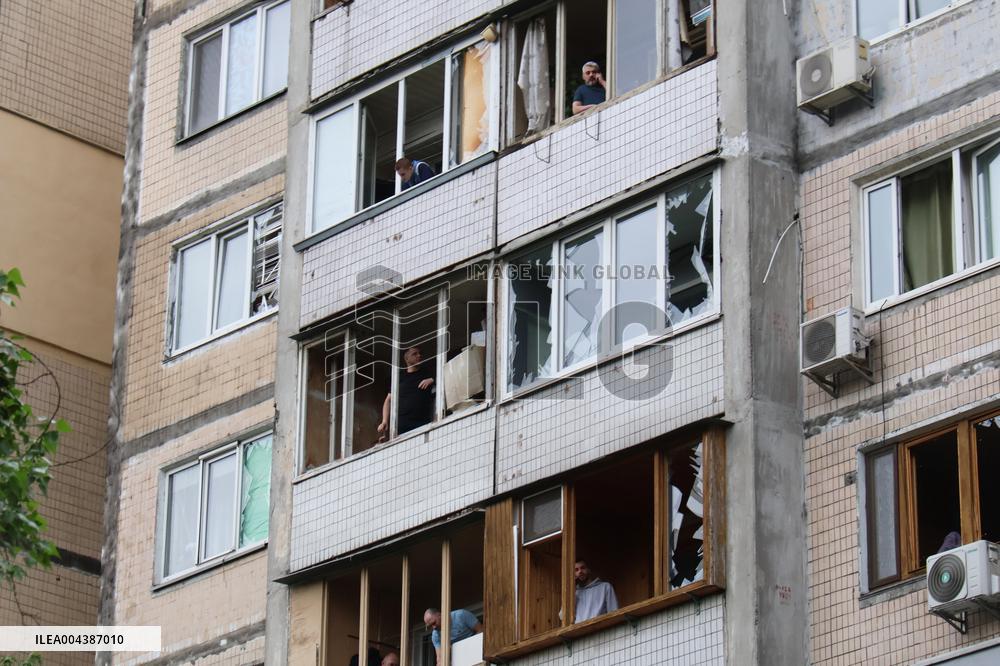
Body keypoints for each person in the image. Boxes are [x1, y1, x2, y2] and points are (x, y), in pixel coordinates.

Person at [378, 346, 435, 437]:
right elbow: (388, 400)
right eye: (415, 354)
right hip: (402, 424)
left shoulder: (427, 372)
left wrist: (432, 380)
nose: (419, 355)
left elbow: (443, 377)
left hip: (422, 423)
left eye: (420, 353)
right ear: (407, 359)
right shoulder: (399, 377)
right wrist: (384, 421)